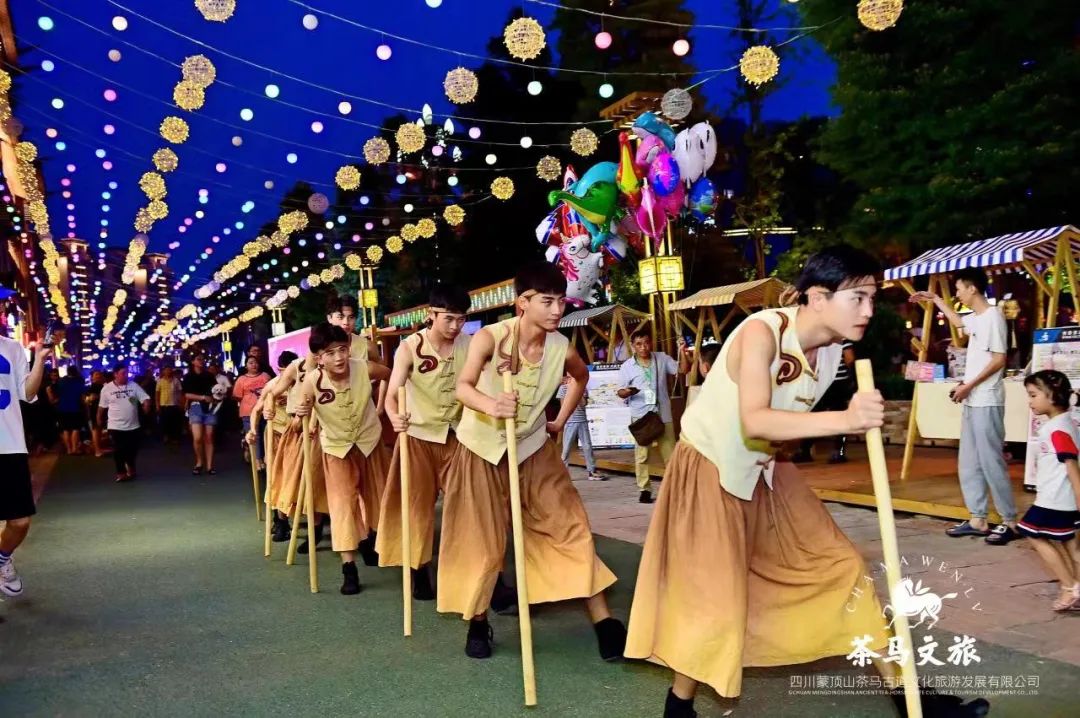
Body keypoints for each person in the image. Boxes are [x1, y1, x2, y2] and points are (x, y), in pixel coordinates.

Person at [625, 246, 989, 718]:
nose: (867, 309)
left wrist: (840, 421)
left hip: (767, 472)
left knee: (844, 569)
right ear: (818, 297)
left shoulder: (835, 349)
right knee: (715, 599)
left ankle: (910, 699)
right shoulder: (762, 334)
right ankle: (679, 707)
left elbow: (778, 430)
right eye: (856, 297)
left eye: (872, 298)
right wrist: (847, 418)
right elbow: (755, 420)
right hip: (709, 469)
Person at [437, 262, 626, 662]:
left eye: (561, 301)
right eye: (547, 301)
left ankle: (605, 622)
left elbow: (580, 377)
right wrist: (493, 404)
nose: (557, 310)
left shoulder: (561, 347)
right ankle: (477, 621)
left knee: (569, 525)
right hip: (482, 449)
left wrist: (557, 420)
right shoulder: (490, 337)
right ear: (522, 302)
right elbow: (463, 387)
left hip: (534, 448)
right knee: (485, 543)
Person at [378, 284, 473, 601]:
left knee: (467, 506)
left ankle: (474, 570)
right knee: (417, 508)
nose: (455, 326)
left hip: (458, 437)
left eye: (461, 319)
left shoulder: (469, 345)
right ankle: (418, 568)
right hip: (418, 437)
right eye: (449, 319)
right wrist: (393, 416)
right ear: (430, 315)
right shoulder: (409, 348)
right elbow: (392, 396)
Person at [911, 268, 1017, 544]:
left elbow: (998, 359)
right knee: (969, 461)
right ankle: (978, 519)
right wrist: (935, 299)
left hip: (986, 399)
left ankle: (1009, 520)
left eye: (958, 289)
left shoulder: (993, 317)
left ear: (972, 289)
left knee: (990, 460)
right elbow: (958, 322)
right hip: (973, 399)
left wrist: (969, 385)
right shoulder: (978, 318)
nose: (957, 294)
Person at [294, 323, 391, 595]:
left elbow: (392, 376)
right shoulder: (312, 381)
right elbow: (302, 408)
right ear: (318, 357)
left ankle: (373, 540)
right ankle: (349, 568)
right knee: (342, 506)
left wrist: (386, 405)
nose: (338, 357)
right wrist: (302, 409)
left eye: (342, 350)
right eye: (330, 352)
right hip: (337, 449)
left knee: (379, 498)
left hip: (370, 442)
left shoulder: (364, 367)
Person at [1019, 370, 1080, 611]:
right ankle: (1075, 587)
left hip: (1055, 499)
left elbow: (1072, 466)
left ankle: (1068, 588)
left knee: (1032, 532)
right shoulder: (1064, 423)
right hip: (1059, 497)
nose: (1030, 401)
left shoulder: (1058, 429)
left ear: (1052, 396)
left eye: (1033, 395)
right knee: (1070, 544)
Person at [0, 335, 51, 597]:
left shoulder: (11, 347)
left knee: (19, 522)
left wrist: (39, 360)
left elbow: (28, 393)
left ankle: (2, 558)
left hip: (9, 444)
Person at [617, 329, 690, 503]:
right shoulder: (627, 366)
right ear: (633, 346)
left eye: (646, 342)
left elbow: (683, 369)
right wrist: (626, 392)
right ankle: (644, 489)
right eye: (639, 344)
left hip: (662, 414)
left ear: (651, 342)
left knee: (670, 454)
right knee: (642, 455)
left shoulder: (661, 358)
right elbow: (619, 391)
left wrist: (682, 350)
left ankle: (674, 488)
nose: (643, 347)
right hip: (641, 416)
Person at [250, 351, 298, 542]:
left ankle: (312, 521)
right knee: (276, 477)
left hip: (297, 436)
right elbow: (256, 410)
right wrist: (252, 429)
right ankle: (281, 522)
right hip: (275, 435)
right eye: (286, 372)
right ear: (280, 370)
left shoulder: (303, 383)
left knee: (295, 478)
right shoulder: (272, 385)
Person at [792, 339, 856, 464]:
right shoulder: (841, 338)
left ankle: (805, 450)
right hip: (834, 382)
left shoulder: (824, 337)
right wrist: (852, 380)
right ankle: (838, 451)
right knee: (839, 416)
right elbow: (849, 359)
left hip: (826, 382)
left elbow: (849, 359)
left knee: (815, 414)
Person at [97, 365, 151, 482]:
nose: (126, 375)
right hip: (115, 425)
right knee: (118, 449)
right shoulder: (107, 389)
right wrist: (99, 418)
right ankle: (121, 473)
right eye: (123, 373)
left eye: (127, 373)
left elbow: (144, 398)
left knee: (132, 449)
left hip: (133, 425)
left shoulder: (133, 386)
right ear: (115, 374)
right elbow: (102, 406)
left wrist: (146, 404)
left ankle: (131, 466)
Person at [557, 374, 605, 481]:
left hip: (583, 420)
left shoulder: (583, 387)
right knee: (566, 448)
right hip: (570, 421)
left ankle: (591, 471)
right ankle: (563, 474)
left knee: (587, 446)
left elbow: (583, 404)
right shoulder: (563, 387)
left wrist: (577, 391)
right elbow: (562, 406)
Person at [182, 356, 219, 475]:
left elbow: (216, 389)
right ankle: (199, 461)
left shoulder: (209, 376)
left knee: (209, 436)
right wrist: (203, 397)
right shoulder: (188, 377)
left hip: (210, 407)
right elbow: (186, 394)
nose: (201, 361)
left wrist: (216, 397)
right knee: (197, 437)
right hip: (196, 406)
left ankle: (209, 465)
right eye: (198, 359)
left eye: (202, 359)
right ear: (193, 361)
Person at [233, 356, 271, 468]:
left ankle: (266, 459)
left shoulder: (265, 376)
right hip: (248, 412)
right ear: (246, 366)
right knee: (255, 435)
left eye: (256, 362)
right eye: (251, 363)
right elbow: (237, 396)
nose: (254, 365)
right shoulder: (241, 379)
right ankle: (257, 460)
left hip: (265, 411)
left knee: (265, 434)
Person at [56, 365, 87, 455]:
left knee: (65, 429)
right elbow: (82, 396)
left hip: (62, 408)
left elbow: (58, 393)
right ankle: (74, 448)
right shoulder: (79, 381)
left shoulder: (61, 381)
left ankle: (68, 449)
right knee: (75, 428)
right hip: (75, 407)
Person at [156, 367, 184, 444]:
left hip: (174, 404)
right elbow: (157, 394)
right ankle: (166, 436)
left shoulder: (176, 381)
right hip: (164, 405)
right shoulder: (160, 381)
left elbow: (180, 392)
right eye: (166, 370)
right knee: (164, 422)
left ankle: (174, 437)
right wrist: (157, 405)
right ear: (163, 371)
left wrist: (181, 403)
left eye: (169, 370)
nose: (168, 371)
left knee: (174, 422)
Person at [85, 370, 107, 457]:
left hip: (100, 410)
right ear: (92, 377)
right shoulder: (94, 386)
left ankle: (97, 448)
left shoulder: (101, 385)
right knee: (96, 429)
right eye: (96, 375)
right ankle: (97, 450)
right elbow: (89, 398)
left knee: (98, 429)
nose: (98, 376)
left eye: (99, 374)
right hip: (95, 410)